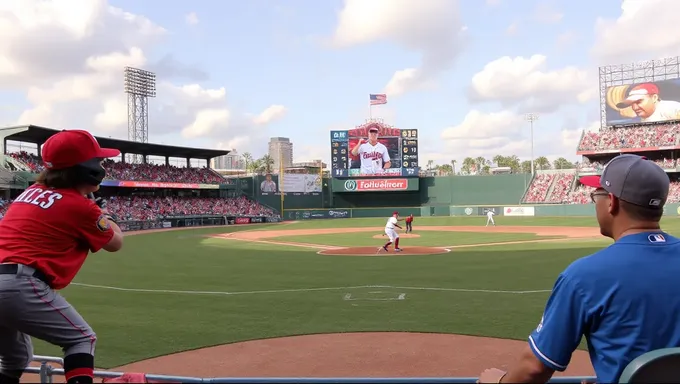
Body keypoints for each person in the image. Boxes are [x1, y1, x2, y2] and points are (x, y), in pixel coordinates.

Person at [478, 154, 680, 384]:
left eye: (597, 195)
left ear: (612, 202)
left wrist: (498, 382)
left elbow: (534, 369)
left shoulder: (584, 276)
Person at [0, 129, 125, 384]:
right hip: (20, 285)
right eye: (98, 162)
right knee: (81, 339)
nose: (102, 167)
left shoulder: (30, 192)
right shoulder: (81, 207)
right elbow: (115, 243)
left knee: (15, 358)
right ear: (87, 169)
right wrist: (107, 216)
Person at [615, 83, 680, 123]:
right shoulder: (646, 115)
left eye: (638, 102)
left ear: (654, 98)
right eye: (632, 104)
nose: (634, 108)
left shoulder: (672, 108)